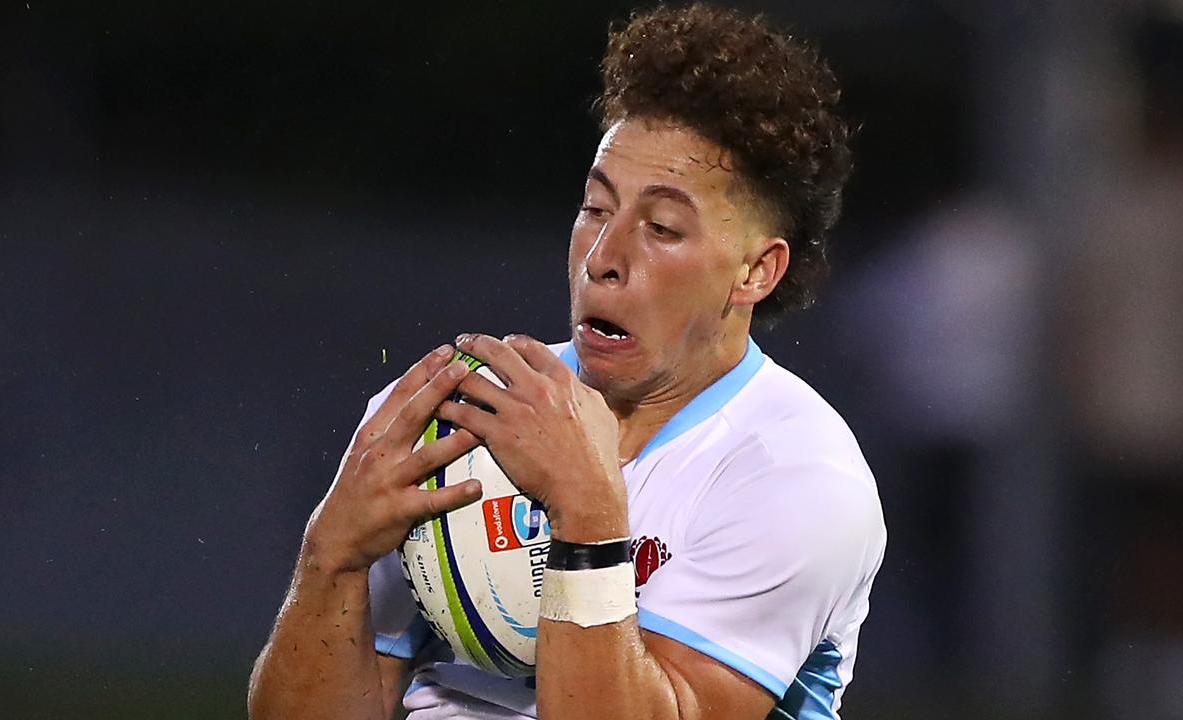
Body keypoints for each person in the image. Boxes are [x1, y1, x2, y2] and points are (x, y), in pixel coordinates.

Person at [248, 4, 885, 719]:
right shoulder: (453, 417)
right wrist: (329, 559)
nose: (604, 259)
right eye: (594, 208)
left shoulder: (794, 478)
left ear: (755, 273)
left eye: (663, 228)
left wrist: (586, 517)